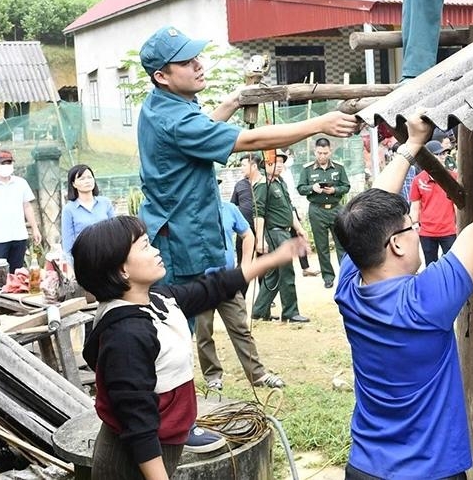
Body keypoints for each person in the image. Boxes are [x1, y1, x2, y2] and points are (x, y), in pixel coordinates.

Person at [332, 91, 473, 479]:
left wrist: (411, 145)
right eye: (410, 228)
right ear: (396, 243)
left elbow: (372, 212)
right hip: (429, 472)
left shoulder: (349, 284)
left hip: (365, 468)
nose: (416, 231)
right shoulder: (425, 302)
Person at [75, 215, 303, 479]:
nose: (157, 251)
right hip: (133, 462)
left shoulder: (158, 300)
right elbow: (137, 423)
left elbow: (211, 289)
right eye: (146, 246)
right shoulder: (126, 335)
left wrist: (272, 259)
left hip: (163, 445)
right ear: (122, 270)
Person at [136, 25, 356, 287]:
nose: (198, 65)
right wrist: (319, 124)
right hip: (181, 242)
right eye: (185, 62)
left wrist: (235, 100)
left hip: (177, 234)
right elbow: (251, 139)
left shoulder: (161, 105)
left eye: (196, 57)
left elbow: (202, 130)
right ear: (161, 76)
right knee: (177, 321)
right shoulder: (176, 120)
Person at [196, 199, 285, 391]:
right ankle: (212, 376)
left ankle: (258, 374)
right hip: (200, 283)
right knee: (203, 332)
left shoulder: (228, 209)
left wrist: (245, 265)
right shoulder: (191, 210)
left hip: (226, 279)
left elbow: (247, 234)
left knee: (240, 328)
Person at [253, 150, 314, 323]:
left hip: (285, 230)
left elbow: (288, 208)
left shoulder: (280, 182)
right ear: (266, 164)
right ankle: (290, 312)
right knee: (286, 273)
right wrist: (260, 238)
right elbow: (259, 213)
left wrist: (299, 228)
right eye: (275, 162)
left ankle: (259, 311)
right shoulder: (263, 184)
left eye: (281, 162)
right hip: (275, 233)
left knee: (275, 274)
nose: (279, 165)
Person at [0, 149, 41, 272]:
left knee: (17, 274)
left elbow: (27, 207)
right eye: (2, 163)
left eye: (9, 163)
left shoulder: (21, 183)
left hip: (19, 236)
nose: (6, 166)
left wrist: (35, 229)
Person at [297, 138, 351, 289]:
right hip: (317, 209)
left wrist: (335, 190)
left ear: (330, 151)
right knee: (322, 246)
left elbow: (346, 186)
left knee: (342, 243)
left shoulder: (338, 168)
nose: (322, 156)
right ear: (315, 152)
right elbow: (300, 188)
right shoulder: (307, 169)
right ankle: (328, 277)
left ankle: (345, 275)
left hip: (335, 208)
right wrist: (311, 188)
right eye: (319, 153)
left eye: (325, 153)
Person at [409, 140, 459, 266]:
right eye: (437, 154)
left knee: (451, 265)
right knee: (430, 265)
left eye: (443, 154)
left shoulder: (454, 177)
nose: (441, 157)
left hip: (449, 230)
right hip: (426, 232)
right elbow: (415, 206)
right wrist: (415, 225)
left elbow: (457, 205)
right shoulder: (418, 180)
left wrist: (459, 226)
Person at [61, 165, 116, 264]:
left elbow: (116, 231)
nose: (87, 181)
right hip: (84, 259)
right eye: (82, 179)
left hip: (109, 255)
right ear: (73, 184)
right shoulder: (69, 209)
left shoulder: (105, 203)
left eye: (90, 177)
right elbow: (68, 245)